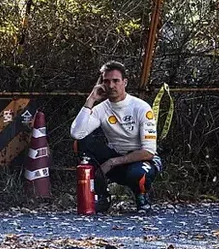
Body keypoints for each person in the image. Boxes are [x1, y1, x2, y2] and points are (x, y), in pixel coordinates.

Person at [70, 61, 163, 213]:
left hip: (142, 159)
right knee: (81, 142)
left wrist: (112, 162)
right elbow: (76, 133)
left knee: (138, 174)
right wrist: (91, 99)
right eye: (106, 81)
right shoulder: (101, 109)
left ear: (124, 82)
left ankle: (142, 199)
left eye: (116, 81)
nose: (111, 85)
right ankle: (102, 196)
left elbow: (149, 151)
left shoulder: (141, 107)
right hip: (115, 156)